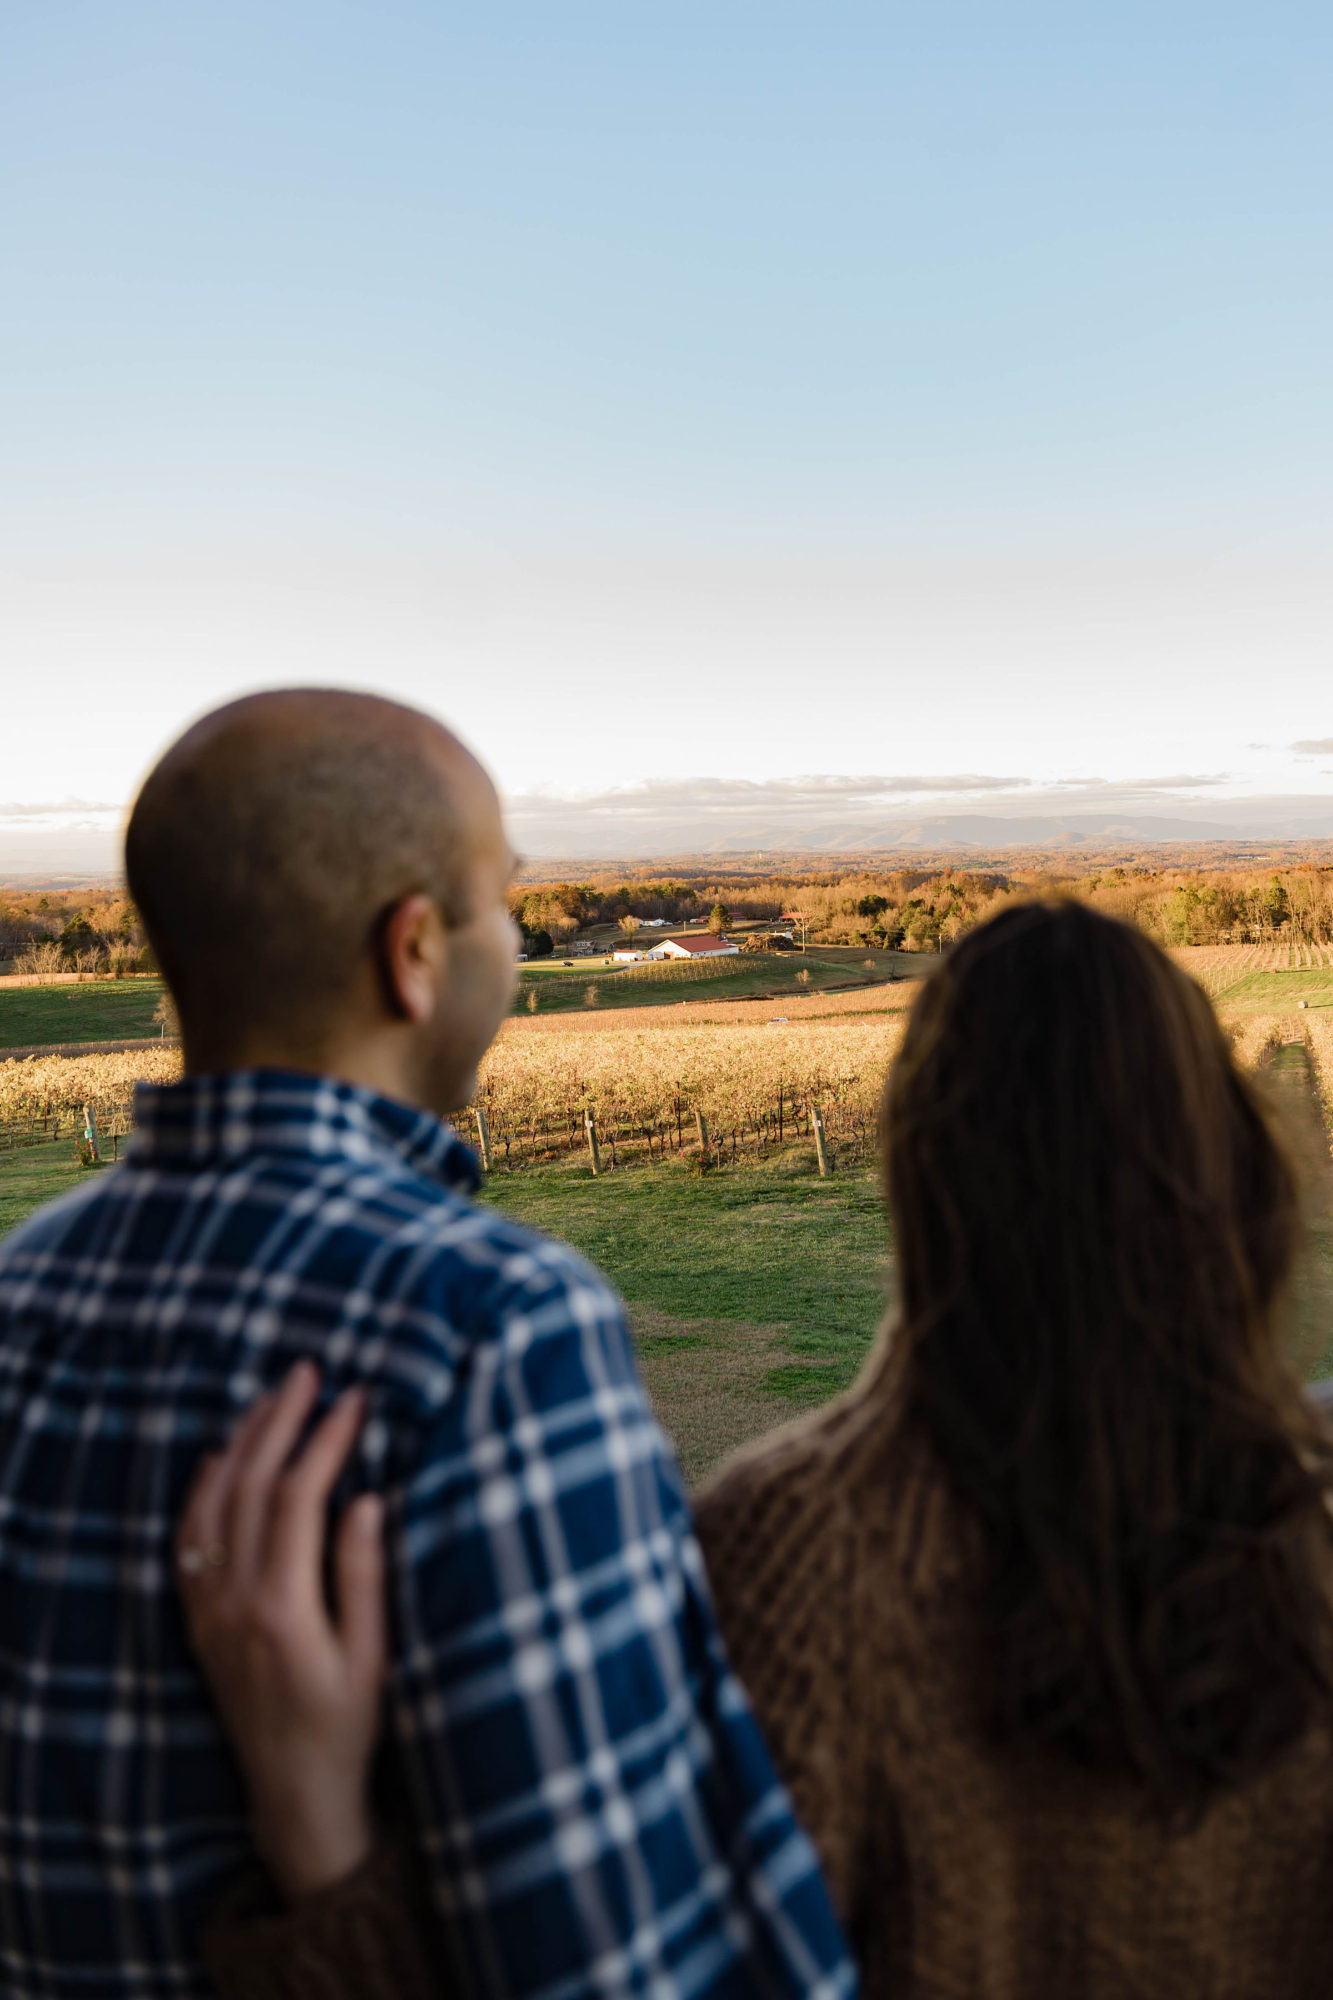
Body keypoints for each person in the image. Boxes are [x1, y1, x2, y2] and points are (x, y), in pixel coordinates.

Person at [185, 899, 1333, 1997]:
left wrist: (315, 1831)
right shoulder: (1307, 1501)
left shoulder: (796, 1549)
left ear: (918, 1164)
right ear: (1233, 1161)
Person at [0, 689, 853, 1999]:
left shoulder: (22, 1297)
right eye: (502, 901)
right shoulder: (490, 1327)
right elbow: (614, 1963)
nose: (512, 941)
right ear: (411, 951)